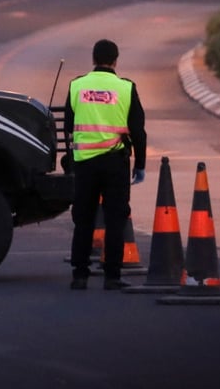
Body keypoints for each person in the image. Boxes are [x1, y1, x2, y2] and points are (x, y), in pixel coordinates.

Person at [65, 39, 146, 290]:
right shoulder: (126, 88)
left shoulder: (76, 85)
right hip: (115, 164)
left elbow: (68, 125)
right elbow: (138, 132)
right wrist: (140, 165)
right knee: (115, 219)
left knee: (84, 219)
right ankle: (112, 276)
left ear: (93, 60)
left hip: (85, 165)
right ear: (115, 61)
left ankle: (79, 275)